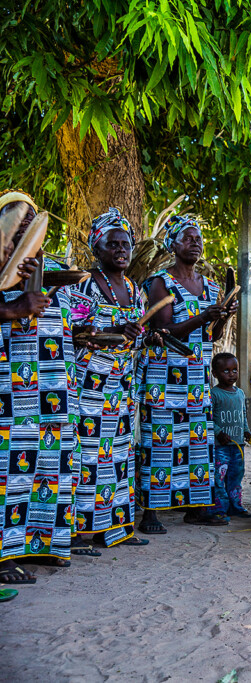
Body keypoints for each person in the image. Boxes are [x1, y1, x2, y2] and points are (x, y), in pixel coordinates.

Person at [139, 214, 237, 533]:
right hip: (163, 377)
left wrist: (222, 316)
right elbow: (162, 330)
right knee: (161, 441)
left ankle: (196, 507)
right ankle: (150, 512)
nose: (195, 242)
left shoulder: (208, 285)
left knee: (196, 442)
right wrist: (203, 317)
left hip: (195, 379)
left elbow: (213, 334)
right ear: (173, 244)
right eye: (188, 238)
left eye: (198, 238)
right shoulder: (160, 282)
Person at [68, 208, 157, 551]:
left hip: (121, 387)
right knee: (86, 456)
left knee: (119, 456)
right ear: (97, 248)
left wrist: (143, 335)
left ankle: (114, 528)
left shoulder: (134, 289)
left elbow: (135, 335)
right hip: (89, 385)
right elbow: (72, 332)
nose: (121, 249)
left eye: (126, 244)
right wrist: (111, 331)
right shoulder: (85, 284)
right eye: (113, 244)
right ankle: (79, 533)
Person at [0, 191, 61, 586]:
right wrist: (14, 308)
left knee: (12, 469)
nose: (26, 228)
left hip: (15, 384)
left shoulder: (18, 266)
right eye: (19, 219)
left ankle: (11, 550)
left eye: (31, 223)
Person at [210, 352, 251, 518]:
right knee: (219, 478)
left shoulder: (240, 393)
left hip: (237, 445)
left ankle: (235, 506)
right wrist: (219, 432)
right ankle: (220, 508)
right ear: (215, 374)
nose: (231, 374)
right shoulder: (214, 394)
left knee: (236, 476)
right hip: (221, 446)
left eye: (234, 370)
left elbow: (242, 415)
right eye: (225, 371)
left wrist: (246, 431)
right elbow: (208, 418)